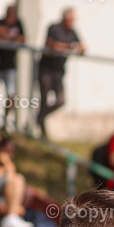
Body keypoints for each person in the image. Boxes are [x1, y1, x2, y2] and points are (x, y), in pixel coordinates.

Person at [37, 8, 84, 139]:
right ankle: (42, 128)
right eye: (70, 20)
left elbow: (82, 46)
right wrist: (69, 47)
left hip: (59, 71)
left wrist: (78, 48)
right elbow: (51, 45)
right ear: (64, 18)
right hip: (46, 69)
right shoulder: (54, 28)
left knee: (60, 100)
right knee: (44, 99)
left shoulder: (72, 31)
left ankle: (40, 116)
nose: (72, 22)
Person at [0, 5, 24, 130]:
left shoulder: (19, 24)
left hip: (10, 65)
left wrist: (9, 38)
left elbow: (22, 38)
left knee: (11, 95)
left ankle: (5, 121)